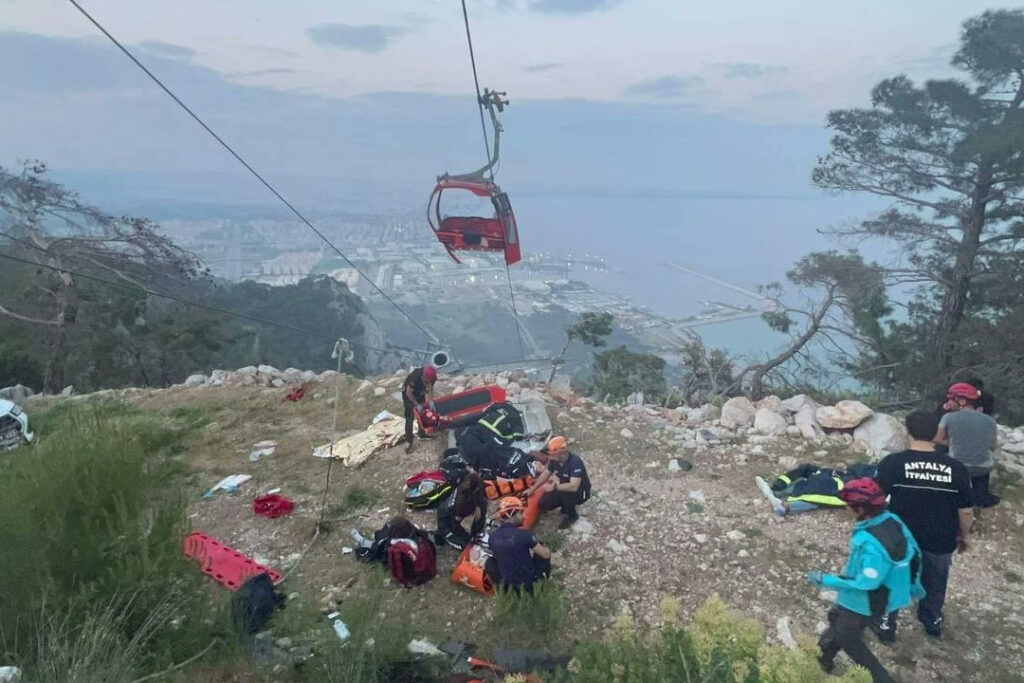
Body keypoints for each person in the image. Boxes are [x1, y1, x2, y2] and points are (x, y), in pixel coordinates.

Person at [807, 478, 924, 683]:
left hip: (865, 600)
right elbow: (915, 554)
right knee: (837, 618)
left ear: (861, 509)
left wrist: (826, 580)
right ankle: (822, 658)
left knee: (848, 638)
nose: (845, 508)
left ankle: (881, 679)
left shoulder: (871, 544)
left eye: (849, 505)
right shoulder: (892, 520)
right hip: (880, 594)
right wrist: (913, 586)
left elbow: (866, 582)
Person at [875, 410, 973, 640]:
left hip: (901, 537)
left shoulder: (893, 463)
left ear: (907, 431)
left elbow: (875, 500)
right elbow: (966, 510)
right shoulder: (956, 468)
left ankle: (887, 624)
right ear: (936, 434)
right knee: (936, 580)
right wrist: (965, 536)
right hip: (941, 538)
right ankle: (932, 620)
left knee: (895, 578)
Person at [936, 382, 1000, 508]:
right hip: (983, 468)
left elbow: (937, 439)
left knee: (940, 454)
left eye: (951, 398)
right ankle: (981, 497)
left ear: (962, 400)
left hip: (958, 467)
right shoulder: (989, 420)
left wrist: (951, 443)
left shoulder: (948, 417)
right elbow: (993, 447)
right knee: (982, 465)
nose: (948, 402)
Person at [754, 463, 877, 516]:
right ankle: (781, 498)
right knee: (818, 500)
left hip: (828, 482)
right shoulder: (865, 481)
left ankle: (781, 497)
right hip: (831, 485)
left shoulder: (853, 477)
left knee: (816, 498)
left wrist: (779, 483)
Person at [523, 436, 591, 529]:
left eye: (553, 454)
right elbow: (546, 473)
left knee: (565, 494)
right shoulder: (554, 460)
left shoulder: (575, 463)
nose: (550, 457)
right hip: (562, 487)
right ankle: (564, 505)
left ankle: (572, 516)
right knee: (544, 503)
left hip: (580, 492)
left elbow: (574, 486)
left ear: (562, 453)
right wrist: (533, 488)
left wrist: (554, 487)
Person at [488, 497, 552, 594]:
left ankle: (503, 591)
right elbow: (545, 554)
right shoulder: (524, 535)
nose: (524, 516)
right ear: (512, 514)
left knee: (490, 562)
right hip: (529, 585)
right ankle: (542, 583)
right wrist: (546, 547)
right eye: (520, 513)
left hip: (510, 585)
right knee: (542, 551)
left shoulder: (492, 538)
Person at [436, 471, 488, 551]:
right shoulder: (462, 504)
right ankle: (442, 535)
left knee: (483, 503)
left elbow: (480, 495)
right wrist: (468, 537)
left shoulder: (467, 481)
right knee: (466, 547)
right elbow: (454, 525)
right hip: (446, 520)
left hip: (455, 511)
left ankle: (476, 533)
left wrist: (478, 507)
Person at [402, 365, 437, 453]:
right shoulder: (415, 378)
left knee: (422, 413)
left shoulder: (432, 377)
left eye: (430, 380)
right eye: (427, 380)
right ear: (423, 376)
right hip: (409, 395)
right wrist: (417, 405)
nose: (429, 382)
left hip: (420, 392)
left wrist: (431, 401)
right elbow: (409, 393)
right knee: (410, 417)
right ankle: (408, 441)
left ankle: (422, 434)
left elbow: (430, 388)